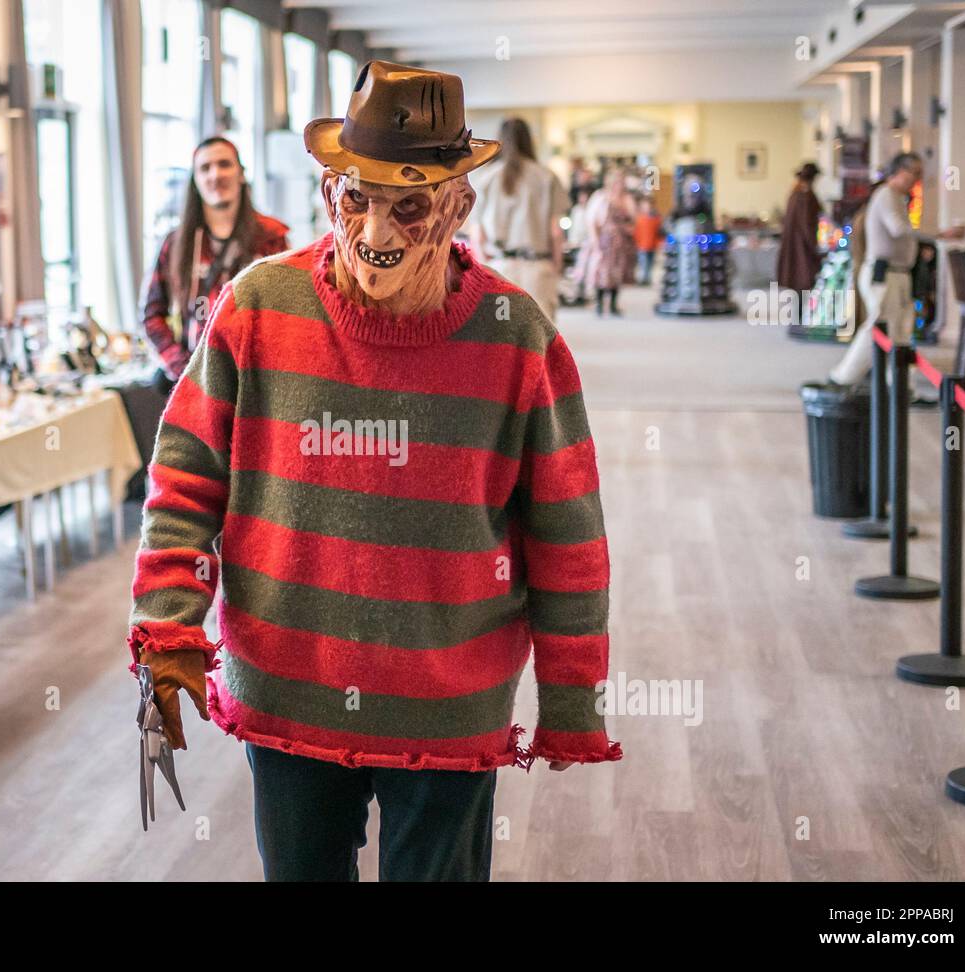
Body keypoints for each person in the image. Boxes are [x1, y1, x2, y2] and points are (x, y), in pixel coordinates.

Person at [126, 60, 619, 882]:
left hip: (449, 704)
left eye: (411, 203)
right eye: (358, 197)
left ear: (459, 206)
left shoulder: (515, 334)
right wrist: (170, 623)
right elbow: (186, 478)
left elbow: (567, 525)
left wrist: (571, 696)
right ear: (328, 192)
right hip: (290, 690)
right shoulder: (256, 307)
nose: (377, 233)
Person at [141, 136, 289, 386]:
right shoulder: (176, 244)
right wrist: (182, 369)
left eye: (224, 164)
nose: (215, 175)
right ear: (195, 181)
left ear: (241, 173)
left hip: (256, 381)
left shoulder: (271, 236)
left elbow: (287, 312)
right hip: (197, 382)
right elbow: (151, 315)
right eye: (205, 168)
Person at [828, 152, 964, 387]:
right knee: (878, 328)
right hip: (884, 274)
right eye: (916, 173)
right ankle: (842, 377)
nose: (918, 179)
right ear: (901, 172)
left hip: (898, 274)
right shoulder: (886, 195)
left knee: (900, 333)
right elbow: (898, 229)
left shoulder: (897, 198)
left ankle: (901, 387)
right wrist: (940, 234)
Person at [472, 116, 568, 321]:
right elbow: (556, 231)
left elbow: (477, 232)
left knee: (501, 337)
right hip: (537, 268)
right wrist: (556, 265)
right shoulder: (546, 177)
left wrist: (483, 267)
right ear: (529, 141)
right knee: (539, 339)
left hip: (499, 266)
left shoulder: (486, 178)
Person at [584, 169, 635, 316]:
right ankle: (599, 303)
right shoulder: (601, 197)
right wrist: (595, 241)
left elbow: (633, 219)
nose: (620, 185)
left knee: (617, 273)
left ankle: (613, 304)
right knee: (601, 273)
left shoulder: (626, 199)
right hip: (604, 241)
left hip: (621, 242)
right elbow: (592, 220)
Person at [776, 162, 823, 299]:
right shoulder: (805, 196)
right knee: (803, 281)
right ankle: (800, 317)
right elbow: (807, 225)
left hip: (794, 245)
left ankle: (797, 316)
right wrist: (815, 247)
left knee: (797, 284)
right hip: (802, 248)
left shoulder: (795, 193)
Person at [565, 187, 592, 306]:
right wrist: (570, 241)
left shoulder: (590, 210)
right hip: (575, 243)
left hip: (586, 243)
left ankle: (582, 294)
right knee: (576, 270)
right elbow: (573, 228)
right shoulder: (576, 210)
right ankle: (575, 294)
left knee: (584, 270)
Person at [633, 196, 663, 286]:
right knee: (643, 263)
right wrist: (636, 242)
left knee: (650, 263)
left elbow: (659, 232)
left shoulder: (656, 218)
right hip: (642, 245)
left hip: (652, 245)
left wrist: (659, 243)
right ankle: (643, 278)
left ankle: (647, 278)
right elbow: (636, 232)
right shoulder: (639, 218)